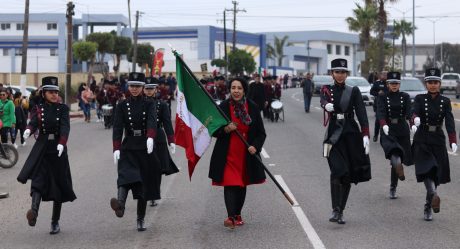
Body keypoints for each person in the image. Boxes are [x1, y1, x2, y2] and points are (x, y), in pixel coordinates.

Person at [17, 76, 76, 235]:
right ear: (44, 93)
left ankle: (55, 222)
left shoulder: (63, 108)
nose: (54, 94)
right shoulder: (39, 108)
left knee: (58, 185)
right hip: (42, 148)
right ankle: (34, 213)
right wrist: (28, 130)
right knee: (38, 180)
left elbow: (65, 127)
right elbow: (34, 122)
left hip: (57, 149)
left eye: (56, 92)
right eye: (50, 92)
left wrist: (62, 143)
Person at [210, 77, 266, 229]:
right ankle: (230, 217)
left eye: (239, 88)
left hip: (246, 152)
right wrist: (226, 129)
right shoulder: (223, 106)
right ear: (229, 90)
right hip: (227, 153)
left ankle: (238, 213)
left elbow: (261, 133)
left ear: (244, 90)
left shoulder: (252, 107)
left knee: (241, 184)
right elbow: (214, 130)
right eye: (233, 88)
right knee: (230, 183)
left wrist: (255, 146)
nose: (236, 91)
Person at [320, 58, 371, 225]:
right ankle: (335, 209)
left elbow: (362, 112)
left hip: (351, 134)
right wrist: (326, 105)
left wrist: (365, 134)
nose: (340, 75)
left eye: (343, 72)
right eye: (337, 72)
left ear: (346, 74)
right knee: (337, 171)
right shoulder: (326, 89)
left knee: (348, 174)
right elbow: (323, 100)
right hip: (334, 135)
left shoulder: (353, 90)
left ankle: (340, 210)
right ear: (332, 73)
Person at [110, 72, 158, 231]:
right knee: (124, 176)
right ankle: (120, 206)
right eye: (132, 86)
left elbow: (152, 120)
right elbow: (117, 127)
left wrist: (150, 136)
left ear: (143, 87)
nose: (134, 89)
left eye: (137, 86)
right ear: (128, 87)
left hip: (144, 146)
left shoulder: (150, 103)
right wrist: (116, 148)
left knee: (143, 185)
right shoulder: (122, 105)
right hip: (128, 145)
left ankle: (140, 219)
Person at [410, 68, 457, 221]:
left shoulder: (445, 101)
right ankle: (434, 195)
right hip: (422, 137)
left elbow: (449, 122)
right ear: (426, 84)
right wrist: (414, 119)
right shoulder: (419, 98)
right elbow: (413, 111)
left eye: (435, 82)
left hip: (437, 138)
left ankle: (428, 205)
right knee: (426, 169)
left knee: (436, 172)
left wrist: (453, 140)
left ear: (439, 83)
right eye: (430, 82)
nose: (433, 85)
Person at [376, 72, 413, 199]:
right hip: (388, 129)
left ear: (399, 84)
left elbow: (409, 112)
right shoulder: (382, 97)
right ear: (387, 84)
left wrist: (413, 122)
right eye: (392, 83)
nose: (394, 85)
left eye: (396, 83)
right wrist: (383, 124)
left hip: (402, 129)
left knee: (398, 159)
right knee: (394, 154)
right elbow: (380, 112)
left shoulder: (405, 96)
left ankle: (393, 186)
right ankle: (393, 186)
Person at [144, 78, 178, 207]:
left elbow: (167, 123)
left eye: (151, 89)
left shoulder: (162, 105)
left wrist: (171, 140)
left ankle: (154, 195)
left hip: (158, 137)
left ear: (155, 90)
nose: (148, 91)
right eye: (146, 88)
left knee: (156, 168)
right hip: (142, 138)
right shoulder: (138, 104)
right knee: (144, 167)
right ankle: (146, 192)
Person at [370, 71, 388, 142]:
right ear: (380, 75)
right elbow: (371, 92)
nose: (385, 76)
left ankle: (386, 134)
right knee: (378, 120)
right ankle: (376, 135)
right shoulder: (377, 83)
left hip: (388, 104)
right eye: (383, 74)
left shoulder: (389, 83)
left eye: (386, 75)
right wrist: (378, 93)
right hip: (378, 104)